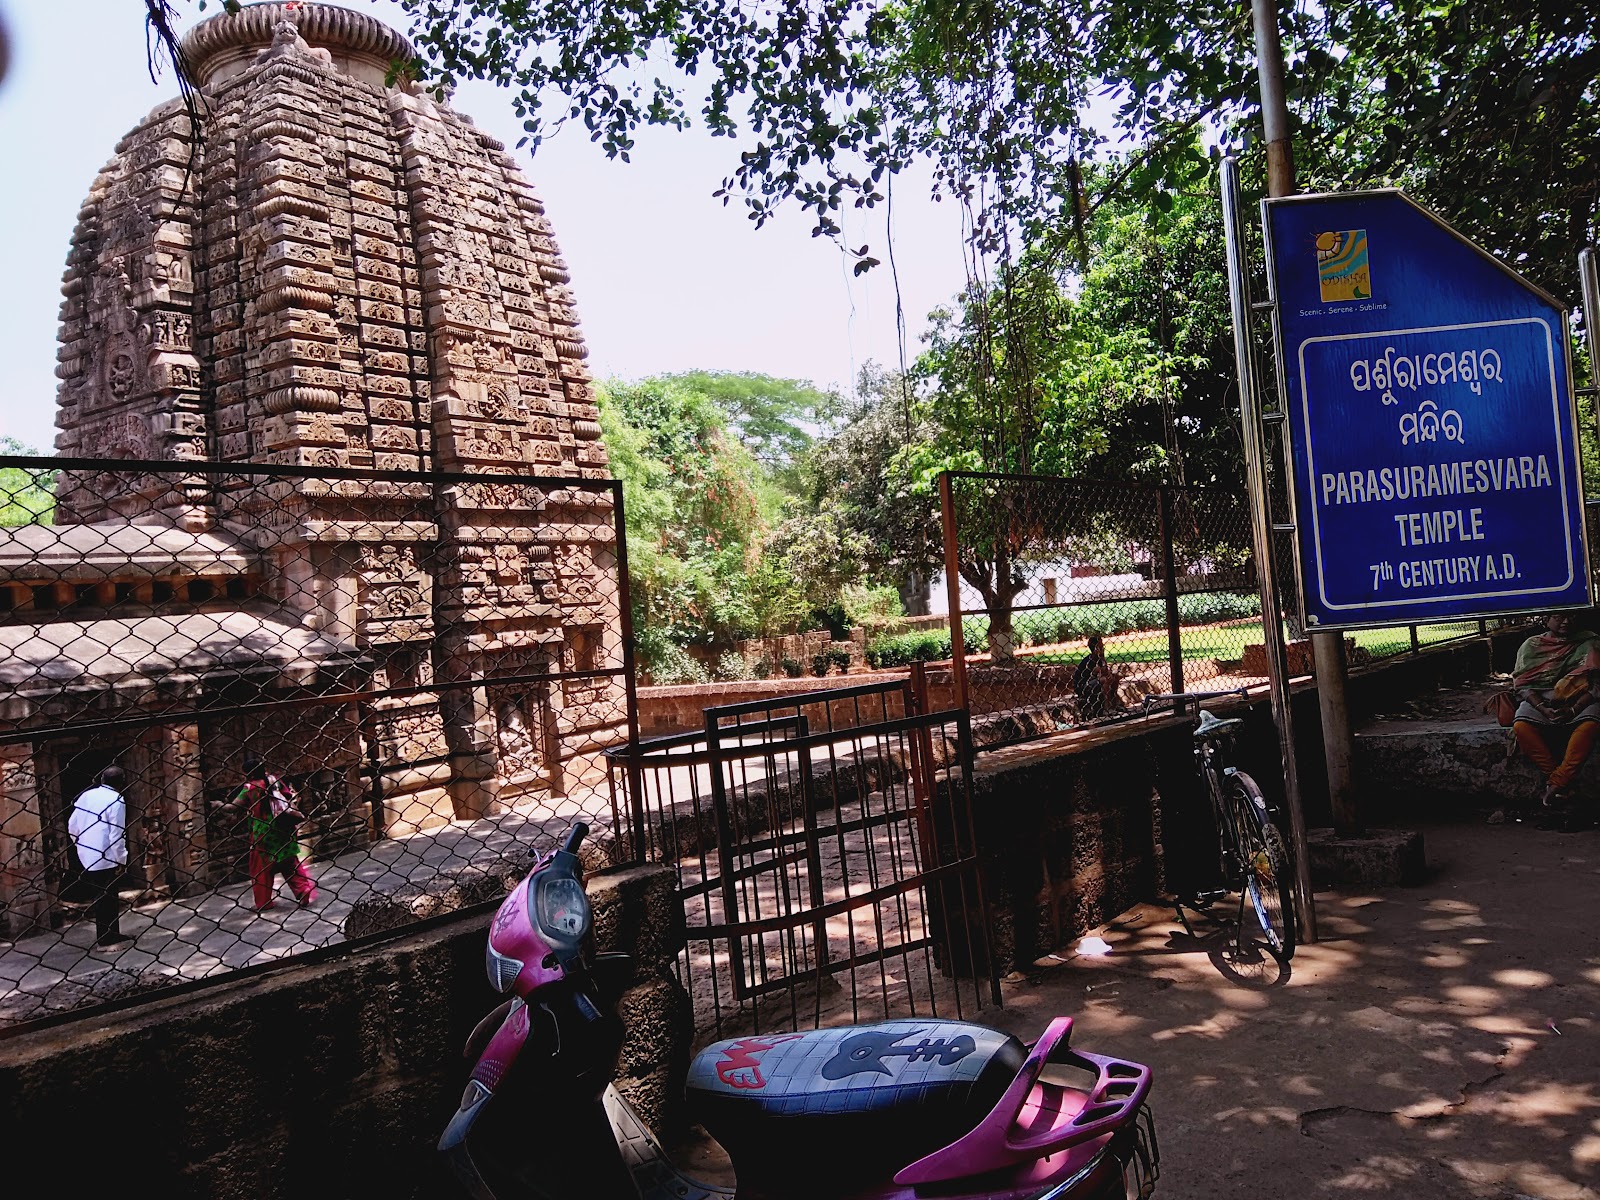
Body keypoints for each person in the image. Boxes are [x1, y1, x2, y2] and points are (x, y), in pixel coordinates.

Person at [1510, 612, 1600, 813]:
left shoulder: (1590, 642)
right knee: (1521, 726)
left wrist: (1573, 709)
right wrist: (1542, 708)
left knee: (1590, 725)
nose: (1566, 621)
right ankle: (1560, 782)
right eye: (1559, 617)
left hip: (1580, 701)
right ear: (1545, 619)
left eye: (1571, 617)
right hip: (1539, 701)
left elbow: (1596, 686)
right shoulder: (1531, 645)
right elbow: (1522, 685)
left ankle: (1557, 783)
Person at [214, 754, 316, 911]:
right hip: (283, 827)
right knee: (289, 862)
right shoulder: (274, 780)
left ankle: (263, 901)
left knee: (261, 868)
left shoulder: (250, 788)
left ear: (249, 773)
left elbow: (233, 807)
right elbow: (288, 796)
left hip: (263, 831)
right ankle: (303, 891)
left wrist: (219, 805)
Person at [67, 765, 132, 950]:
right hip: (107, 853)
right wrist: (122, 859)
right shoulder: (116, 799)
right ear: (122, 782)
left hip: (88, 851)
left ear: (102, 780)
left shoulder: (86, 796)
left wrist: (80, 843)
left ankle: (110, 933)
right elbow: (116, 833)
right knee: (108, 896)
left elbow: (72, 823)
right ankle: (106, 937)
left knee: (102, 894)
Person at [1073, 634, 1124, 720]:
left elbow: (1105, 672)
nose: (1103, 648)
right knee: (1104, 680)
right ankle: (1106, 708)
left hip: (1093, 682)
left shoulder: (1100, 658)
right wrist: (1096, 674)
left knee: (1114, 678)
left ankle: (1114, 704)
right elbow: (1090, 677)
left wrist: (1111, 675)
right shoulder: (1089, 660)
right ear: (1095, 648)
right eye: (1100, 646)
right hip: (1082, 686)